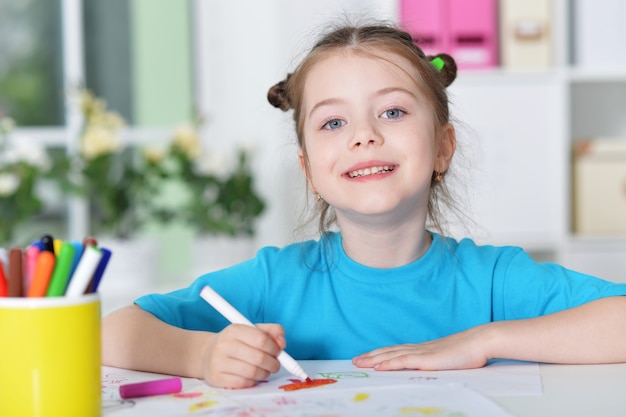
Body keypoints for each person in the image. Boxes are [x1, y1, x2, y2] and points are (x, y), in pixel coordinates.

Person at [102, 21, 626, 389]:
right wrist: (203, 354)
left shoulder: (494, 280)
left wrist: (483, 340)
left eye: (393, 111)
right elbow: (111, 333)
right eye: (333, 122)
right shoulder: (275, 280)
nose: (364, 136)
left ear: (442, 147)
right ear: (309, 171)